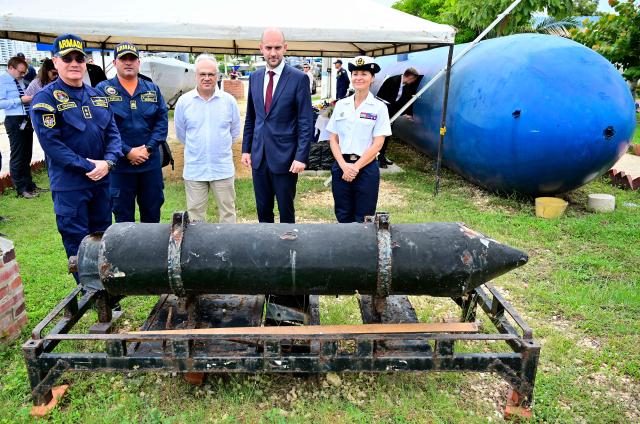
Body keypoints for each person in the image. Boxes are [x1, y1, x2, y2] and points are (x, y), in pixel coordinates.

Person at [30, 34, 122, 272]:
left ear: (85, 62)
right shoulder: (46, 99)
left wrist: (108, 163)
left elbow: (113, 134)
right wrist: (89, 166)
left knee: (102, 237)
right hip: (71, 185)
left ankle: (107, 291)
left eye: (79, 58)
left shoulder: (97, 96)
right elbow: (52, 145)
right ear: (54, 62)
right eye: (67, 58)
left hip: (101, 181)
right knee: (77, 241)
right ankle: (88, 290)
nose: (74, 63)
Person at [242, 27, 313, 224]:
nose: (273, 53)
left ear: (285, 48)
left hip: (286, 158)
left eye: (278, 48)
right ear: (261, 49)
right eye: (269, 48)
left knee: (285, 210)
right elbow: (252, 117)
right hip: (259, 157)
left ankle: (287, 250)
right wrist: (246, 149)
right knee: (263, 209)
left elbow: (305, 121)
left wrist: (301, 156)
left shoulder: (299, 78)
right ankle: (267, 251)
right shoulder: (254, 77)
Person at [96, 42, 168, 223]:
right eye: (123, 59)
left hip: (149, 164)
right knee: (123, 217)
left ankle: (151, 251)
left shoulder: (152, 89)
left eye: (132, 59)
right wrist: (127, 151)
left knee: (152, 214)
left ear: (138, 62)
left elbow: (161, 123)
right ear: (114, 62)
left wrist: (148, 149)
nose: (128, 63)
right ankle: (125, 252)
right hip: (119, 166)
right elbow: (101, 127)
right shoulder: (102, 90)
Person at [174, 54, 240, 223]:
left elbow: (234, 132)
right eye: (202, 74)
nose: (207, 78)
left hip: (222, 169)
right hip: (195, 169)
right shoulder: (184, 102)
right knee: (195, 217)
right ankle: (198, 250)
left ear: (217, 76)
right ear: (196, 76)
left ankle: (228, 248)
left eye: (211, 74)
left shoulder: (229, 101)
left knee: (228, 214)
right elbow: (182, 134)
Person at [326, 56, 391, 223]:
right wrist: (343, 166)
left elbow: (378, 143)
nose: (359, 77)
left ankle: (361, 250)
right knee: (342, 214)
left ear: (372, 78)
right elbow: (333, 139)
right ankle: (344, 248)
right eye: (355, 74)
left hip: (366, 168)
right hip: (341, 166)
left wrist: (355, 168)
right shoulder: (341, 105)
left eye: (364, 73)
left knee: (364, 216)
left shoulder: (379, 108)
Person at [0, 56, 40, 198]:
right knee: (18, 155)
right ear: (11, 68)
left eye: (24, 72)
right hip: (13, 119)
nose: (22, 75)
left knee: (27, 154)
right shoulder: (2, 80)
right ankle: (21, 188)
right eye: (20, 72)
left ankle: (29, 185)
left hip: (25, 118)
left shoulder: (20, 80)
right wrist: (19, 101)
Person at [376, 67, 421, 167]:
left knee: (387, 135)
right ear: (409, 77)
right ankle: (378, 158)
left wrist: (407, 113)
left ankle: (382, 155)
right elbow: (380, 98)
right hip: (383, 112)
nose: (414, 82)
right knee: (381, 135)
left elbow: (404, 99)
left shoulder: (405, 85)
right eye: (413, 79)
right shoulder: (392, 81)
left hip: (392, 113)